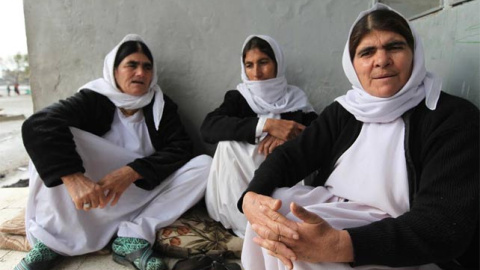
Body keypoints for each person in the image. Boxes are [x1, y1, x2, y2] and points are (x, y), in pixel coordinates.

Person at [238, 4, 478, 270]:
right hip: (342, 214)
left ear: (415, 53)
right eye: (367, 52)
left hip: (401, 243)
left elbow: (443, 226)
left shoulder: (451, 118)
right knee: (270, 215)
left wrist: (340, 245)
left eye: (395, 47)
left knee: (301, 246)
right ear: (352, 64)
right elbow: (291, 155)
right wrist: (251, 196)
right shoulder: (346, 110)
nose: (381, 60)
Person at [16, 34, 212, 270]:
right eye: (132, 65)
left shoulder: (160, 105)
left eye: (147, 67)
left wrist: (131, 172)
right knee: (54, 138)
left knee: (205, 165)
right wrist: (73, 177)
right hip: (94, 196)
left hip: (137, 192)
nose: (141, 73)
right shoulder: (93, 99)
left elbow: (180, 148)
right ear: (114, 70)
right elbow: (37, 125)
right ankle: (52, 241)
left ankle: (132, 237)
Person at [200, 35, 317, 238]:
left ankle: (273, 217)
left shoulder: (295, 99)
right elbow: (209, 128)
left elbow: (318, 132)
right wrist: (267, 125)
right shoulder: (239, 97)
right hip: (241, 178)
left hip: (279, 175)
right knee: (228, 145)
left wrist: (289, 136)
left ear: (277, 64)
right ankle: (244, 224)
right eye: (249, 65)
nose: (256, 73)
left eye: (263, 62)